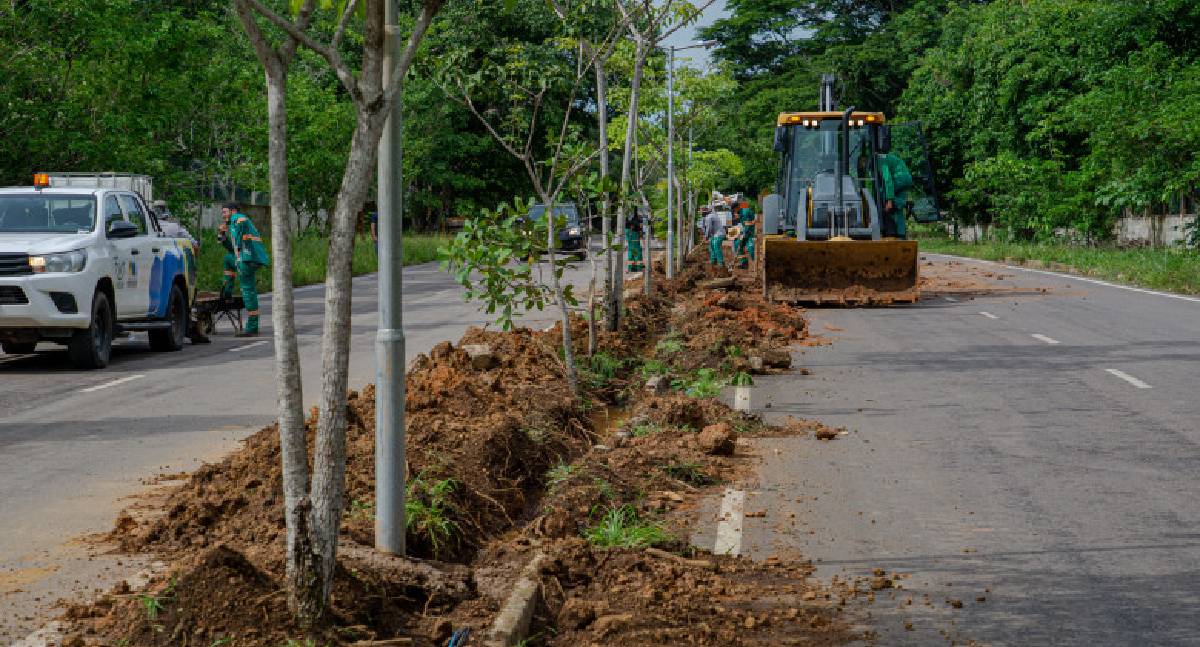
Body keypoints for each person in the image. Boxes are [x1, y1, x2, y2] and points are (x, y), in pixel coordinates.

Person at [217, 202, 270, 337]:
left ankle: (252, 327)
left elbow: (241, 220)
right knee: (228, 259)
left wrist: (233, 222)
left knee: (248, 291)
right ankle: (227, 291)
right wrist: (222, 235)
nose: (223, 215)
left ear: (233, 211)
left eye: (225, 212)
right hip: (242, 257)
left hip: (248, 259)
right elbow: (233, 249)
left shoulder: (238, 219)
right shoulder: (233, 224)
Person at [879, 152, 915, 239]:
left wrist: (889, 200)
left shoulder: (879, 160)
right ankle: (901, 235)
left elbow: (888, 180)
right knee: (898, 209)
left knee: (883, 194)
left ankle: (906, 204)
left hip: (899, 178)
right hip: (906, 178)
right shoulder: (884, 157)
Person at [733, 203, 756, 269]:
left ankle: (757, 264)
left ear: (737, 207)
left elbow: (748, 226)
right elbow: (743, 225)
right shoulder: (740, 213)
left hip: (752, 233)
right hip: (746, 233)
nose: (734, 212)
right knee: (737, 243)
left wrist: (743, 235)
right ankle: (744, 263)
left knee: (751, 248)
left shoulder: (745, 213)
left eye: (734, 210)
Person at [625, 209, 644, 273]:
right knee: (631, 256)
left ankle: (638, 268)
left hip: (635, 242)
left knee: (636, 256)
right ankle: (631, 268)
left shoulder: (637, 223)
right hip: (632, 243)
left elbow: (640, 232)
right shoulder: (628, 228)